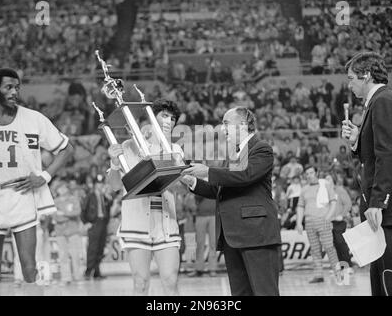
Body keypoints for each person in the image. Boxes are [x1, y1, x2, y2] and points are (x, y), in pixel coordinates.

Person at [0, 68, 73, 291]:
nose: (14, 92)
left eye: (17, 87)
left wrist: (44, 176)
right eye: (9, 87)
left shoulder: (34, 118)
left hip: (23, 195)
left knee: (29, 268)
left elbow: (66, 149)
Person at [341, 51, 392, 296]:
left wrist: (378, 201)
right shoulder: (383, 100)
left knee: (391, 279)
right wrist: (357, 140)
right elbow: (379, 151)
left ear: (366, 76)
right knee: (382, 277)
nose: (349, 84)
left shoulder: (383, 101)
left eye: (352, 78)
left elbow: (388, 154)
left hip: (390, 208)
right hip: (390, 206)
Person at [181, 107, 281, 296]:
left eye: (226, 123)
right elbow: (219, 189)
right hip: (232, 237)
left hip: (256, 234)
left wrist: (208, 172)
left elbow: (245, 175)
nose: (222, 128)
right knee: (240, 294)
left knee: (265, 292)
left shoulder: (261, 148)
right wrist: (192, 181)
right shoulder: (233, 155)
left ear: (243, 124)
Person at [107, 98, 184, 296]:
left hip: (166, 224)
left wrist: (176, 170)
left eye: (173, 118)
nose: (169, 121)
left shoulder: (175, 150)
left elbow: (181, 190)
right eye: (164, 116)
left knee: (170, 281)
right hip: (137, 222)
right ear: (150, 118)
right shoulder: (129, 146)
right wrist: (114, 162)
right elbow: (115, 185)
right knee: (140, 283)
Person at [295, 166, 341, 283]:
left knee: (329, 248)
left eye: (311, 172)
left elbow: (333, 202)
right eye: (307, 173)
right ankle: (318, 275)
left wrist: (328, 217)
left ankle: (338, 273)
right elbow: (300, 206)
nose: (309, 175)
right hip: (309, 222)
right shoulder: (304, 189)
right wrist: (299, 222)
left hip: (323, 220)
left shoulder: (325, 185)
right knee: (315, 250)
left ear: (316, 173)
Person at [53, 179, 84, 286]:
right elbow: (55, 216)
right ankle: (66, 278)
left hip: (73, 231)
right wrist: (68, 215)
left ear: (67, 188)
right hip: (60, 232)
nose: (61, 190)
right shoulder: (55, 201)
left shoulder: (73, 199)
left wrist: (64, 214)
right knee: (63, 255)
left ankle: (77, 276)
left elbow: (77, 212)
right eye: (59, 188)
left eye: (63, 187)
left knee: (75, 254)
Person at [82, 177, 111, 280]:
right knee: (92, 248)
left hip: (103, 222)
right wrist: (86, 222)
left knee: (100, 247)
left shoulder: (104, 196)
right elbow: (83, 209)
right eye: (98, 183)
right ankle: (88, 271)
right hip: (94, 223)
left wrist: (107, 198)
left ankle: (97, 272)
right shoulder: (90, 196)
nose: (100, 185)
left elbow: (108, 209)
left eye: (101, 183)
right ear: (94, 185)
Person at [325, 172, 353, 272]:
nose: (326, 181)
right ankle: (338, 267)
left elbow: (348, 203)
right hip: (329, 222)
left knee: (340, 243)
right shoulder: (324, 193)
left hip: (339, 221)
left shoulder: (339, 190)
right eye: (325, 179)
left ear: (333, 180)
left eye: (328, 179)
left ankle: (348, 266)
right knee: (332, 245)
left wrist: (342, 215)